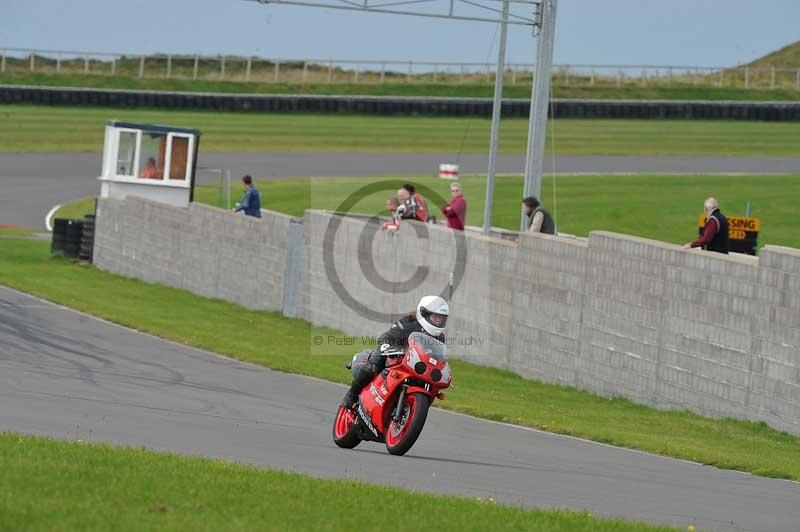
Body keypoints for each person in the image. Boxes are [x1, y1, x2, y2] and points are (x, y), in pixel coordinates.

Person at [341, 295, 449, 408]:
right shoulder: (409, 322)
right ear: (424, 314)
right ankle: (351, 396)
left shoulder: (439, 337)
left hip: (415, 366)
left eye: (441, 318)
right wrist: (388, 347)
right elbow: (386, 337)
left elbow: (438, 357)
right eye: (435, 316)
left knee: (431, 388)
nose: (438, 320)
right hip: (393, 355)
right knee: (371, 368)